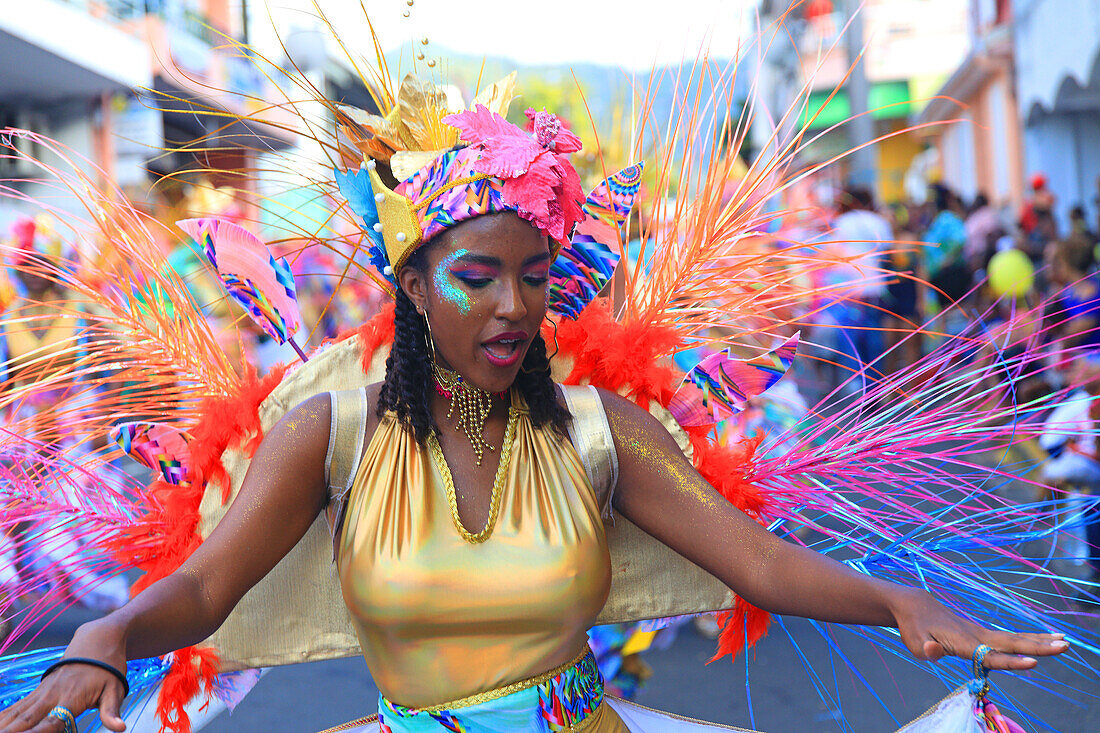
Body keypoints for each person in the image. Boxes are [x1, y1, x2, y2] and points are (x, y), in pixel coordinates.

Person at [0, 103, 1068, 733]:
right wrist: (100, 638)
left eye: (534, 275)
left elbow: (764, 568)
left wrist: (896, 600)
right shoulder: (329, 437)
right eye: (477, 275)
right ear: (412, 287)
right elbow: (200, 587)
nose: (513, 304)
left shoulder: (600, 433)